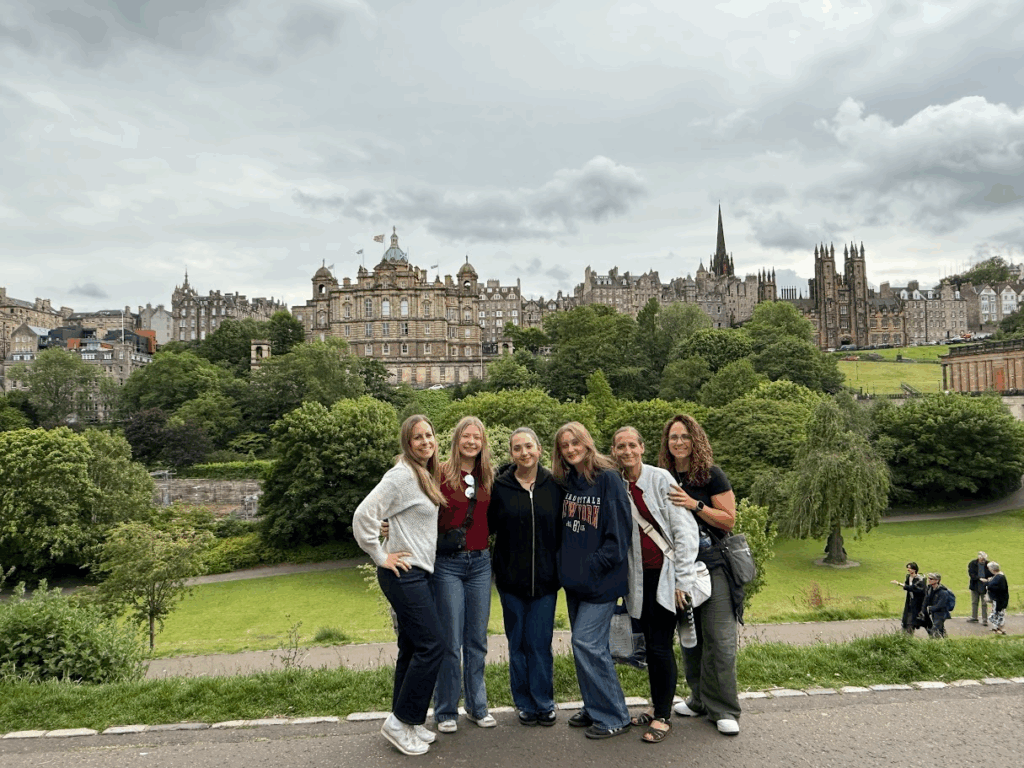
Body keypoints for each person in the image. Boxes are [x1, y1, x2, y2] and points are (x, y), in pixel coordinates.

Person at [352, 415, 445, 756]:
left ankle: (408, 721)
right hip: (404, 574)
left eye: (429, 436)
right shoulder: (402, 475)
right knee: (433, 645)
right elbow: (364, 514)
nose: (425, 442)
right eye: (417, 437)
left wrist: (392, 528)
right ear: (407, 443)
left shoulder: (423, 475)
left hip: (419, 572)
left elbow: (401, 518)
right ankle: (399, 722)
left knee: (411, 648)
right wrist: (380, 554)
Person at [610, 426, 699, 744]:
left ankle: (663, 716)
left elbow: (684, 531)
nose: (627, 451)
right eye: (621, 446)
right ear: (614, 451)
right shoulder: (618, 485)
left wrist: (682, 581)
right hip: (639, 579)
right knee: (649, 644)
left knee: (661, 646)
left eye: (632, 445)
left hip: (666, 576)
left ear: (642, 448)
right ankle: (657, 704)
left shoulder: (661, 479)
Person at [661, 414, 742, 736]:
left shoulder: (711, 475)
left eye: (684, 436)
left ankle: (724, 708)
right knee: (691, 639)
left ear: (696, 440)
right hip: (680, 569)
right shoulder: (663, 476)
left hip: (714, 566)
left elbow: (728, 520)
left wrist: (696, 505)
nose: (679, 442)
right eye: (673, 437)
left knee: (720, 640)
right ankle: (698, 699)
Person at [553, 421, 632, 740]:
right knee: (589, 647)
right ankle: (594, 704)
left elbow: (619, 536)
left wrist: (591, 568)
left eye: (575, 442)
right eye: (564, 445)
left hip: (601, 581)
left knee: (585, 643)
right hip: (574, 582)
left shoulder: (608, 479)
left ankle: (615, 714)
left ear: (587, 443)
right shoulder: (568, 481)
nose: (570, 449)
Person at [488, 427, 563, 727]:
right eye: (517, 448)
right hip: (510, 581)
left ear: (539, 449)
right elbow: (482, 524)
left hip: (546, 581)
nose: (524, 452)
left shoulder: (556, 484)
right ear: (511, 454)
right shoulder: (500, 487)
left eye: (528, 446)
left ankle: (544, 702)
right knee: (517, 643)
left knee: (540, 643)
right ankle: (524, 703)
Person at [432, 416, 496, 733]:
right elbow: (419, 507)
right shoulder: (440, 473)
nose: (472, 441)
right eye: (466, 436)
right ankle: (446, 711)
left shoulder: (488, 476)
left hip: (481, 563)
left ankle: (477, 706)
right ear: (456, 440)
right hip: (448, 564)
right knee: (450, 640)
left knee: (476, 640)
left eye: (477, 437)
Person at [890, 562, 926, 634]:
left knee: (916, 618)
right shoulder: (908, 577)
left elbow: (916, 589)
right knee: (907, 617)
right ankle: (907, 632)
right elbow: (908, 587)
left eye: (910, 568)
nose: (908, 569)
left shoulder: (919, 579)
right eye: (908, 568)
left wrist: (899, 584)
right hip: (910, 601)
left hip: (918, 602)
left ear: (914, 569)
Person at [921, 573, 955, 638]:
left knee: (935, 630)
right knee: (940, 629)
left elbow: (941, 605)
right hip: (934, 612)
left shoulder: (943, 592)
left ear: (937, 580)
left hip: (941, 613)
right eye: (929, 578)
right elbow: (926, 600)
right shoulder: (929, 589)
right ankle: (945, 641)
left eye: (931, 579)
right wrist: (923, 610)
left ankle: (936, 643)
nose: (929, 580)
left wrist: (930, 608)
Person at [981, 562, 1009, 635]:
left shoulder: (1000, 577)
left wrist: (988, 586)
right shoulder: (997, 576)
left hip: (999, 599)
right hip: (998, 599)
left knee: (996, 615)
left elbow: (1001, 588)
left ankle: (999, 628)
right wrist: (988, 582)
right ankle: (997, 628)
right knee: (998, 614)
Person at [967, 551, 990, 625]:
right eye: (982, 559)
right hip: (975, 585)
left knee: (984, 603)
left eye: (984, 559)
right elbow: (971, 574)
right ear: (979, 558)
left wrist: (988, 579)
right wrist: (979, 578)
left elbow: (991, 573)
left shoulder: (988, 564)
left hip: (985, 585)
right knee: (974, 602)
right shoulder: (973, 564)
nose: (983, 561)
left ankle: (984, 619)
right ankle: (974, 617)